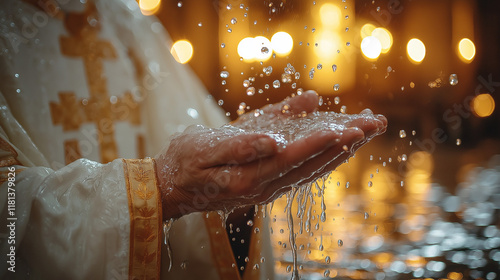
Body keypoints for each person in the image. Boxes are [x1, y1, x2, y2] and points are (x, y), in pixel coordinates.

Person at [0, 0, 387, 279]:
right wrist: (163, 189)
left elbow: (209, 144)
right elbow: (9, 218)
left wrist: (235, 195)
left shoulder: (128, 21)